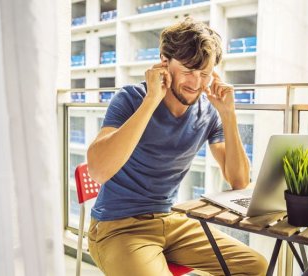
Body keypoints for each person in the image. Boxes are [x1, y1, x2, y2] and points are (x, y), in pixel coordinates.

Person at [86, 18, 268, 276]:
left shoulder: (208, 113)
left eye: (204, 73)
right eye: (187, 70)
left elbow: (239, 181)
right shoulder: (130, 99)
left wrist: (228, 114)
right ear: (164, 62)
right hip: (117, 226)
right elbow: (98, 171)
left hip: (172, 221)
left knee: (255, 267)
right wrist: (151, 100)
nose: (195, 83)